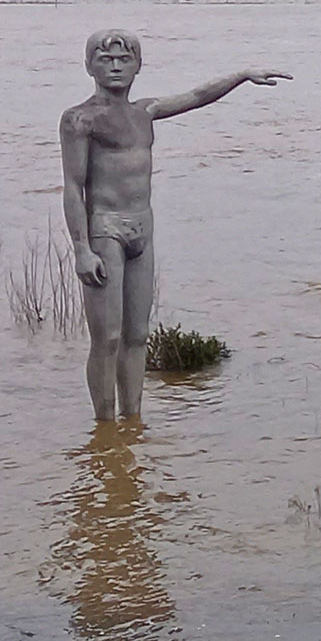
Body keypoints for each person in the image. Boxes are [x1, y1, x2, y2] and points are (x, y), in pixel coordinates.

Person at [60, 29, 289, 420]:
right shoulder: (80, 120)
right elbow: (72, 186)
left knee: (137, 336)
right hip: (105, 230)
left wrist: (242, 75)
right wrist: (81, 249)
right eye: (105, 60)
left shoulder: (144, 112)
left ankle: (131, 423)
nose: (115, 67)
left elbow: (197, 97)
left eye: (124, 60)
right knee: (108, 338)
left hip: (142, 229)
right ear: (89, 66)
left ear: (138, 66)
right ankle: (104, 427)